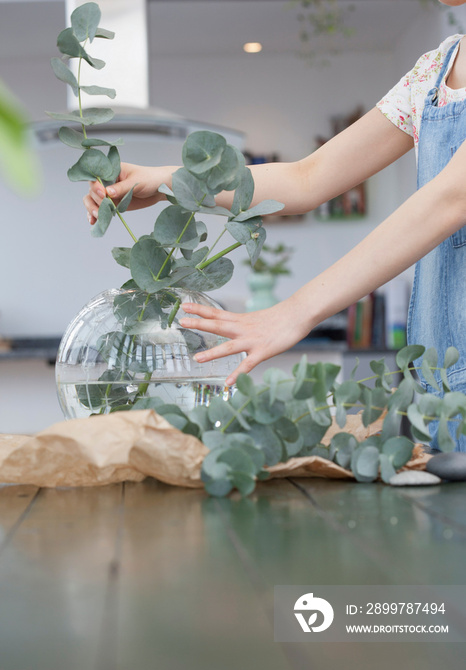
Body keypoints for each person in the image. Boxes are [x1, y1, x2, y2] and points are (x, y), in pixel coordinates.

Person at [84, 0, 466, 450]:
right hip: (443, 385)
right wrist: (167, 182)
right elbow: (309, 177)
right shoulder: (434, 73)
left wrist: (291, 313)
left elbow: (451, 199)